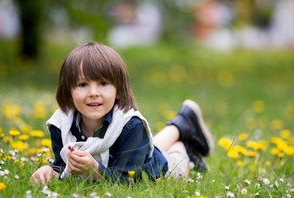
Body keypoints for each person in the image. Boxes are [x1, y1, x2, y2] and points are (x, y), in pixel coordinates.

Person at [30, 42, 214, 185]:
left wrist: (95, 170)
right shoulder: (60, 125)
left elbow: (128, 181)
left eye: (103, 83)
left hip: (155, 170)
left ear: (119, 90)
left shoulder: (130, 125)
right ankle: (184, 122)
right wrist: (52, 171)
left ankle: (183, 143)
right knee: (147, 146)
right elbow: (63, 165)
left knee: (174, 167)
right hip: (136, 151)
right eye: (82, 84)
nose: (93, 92)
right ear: (68, 91)